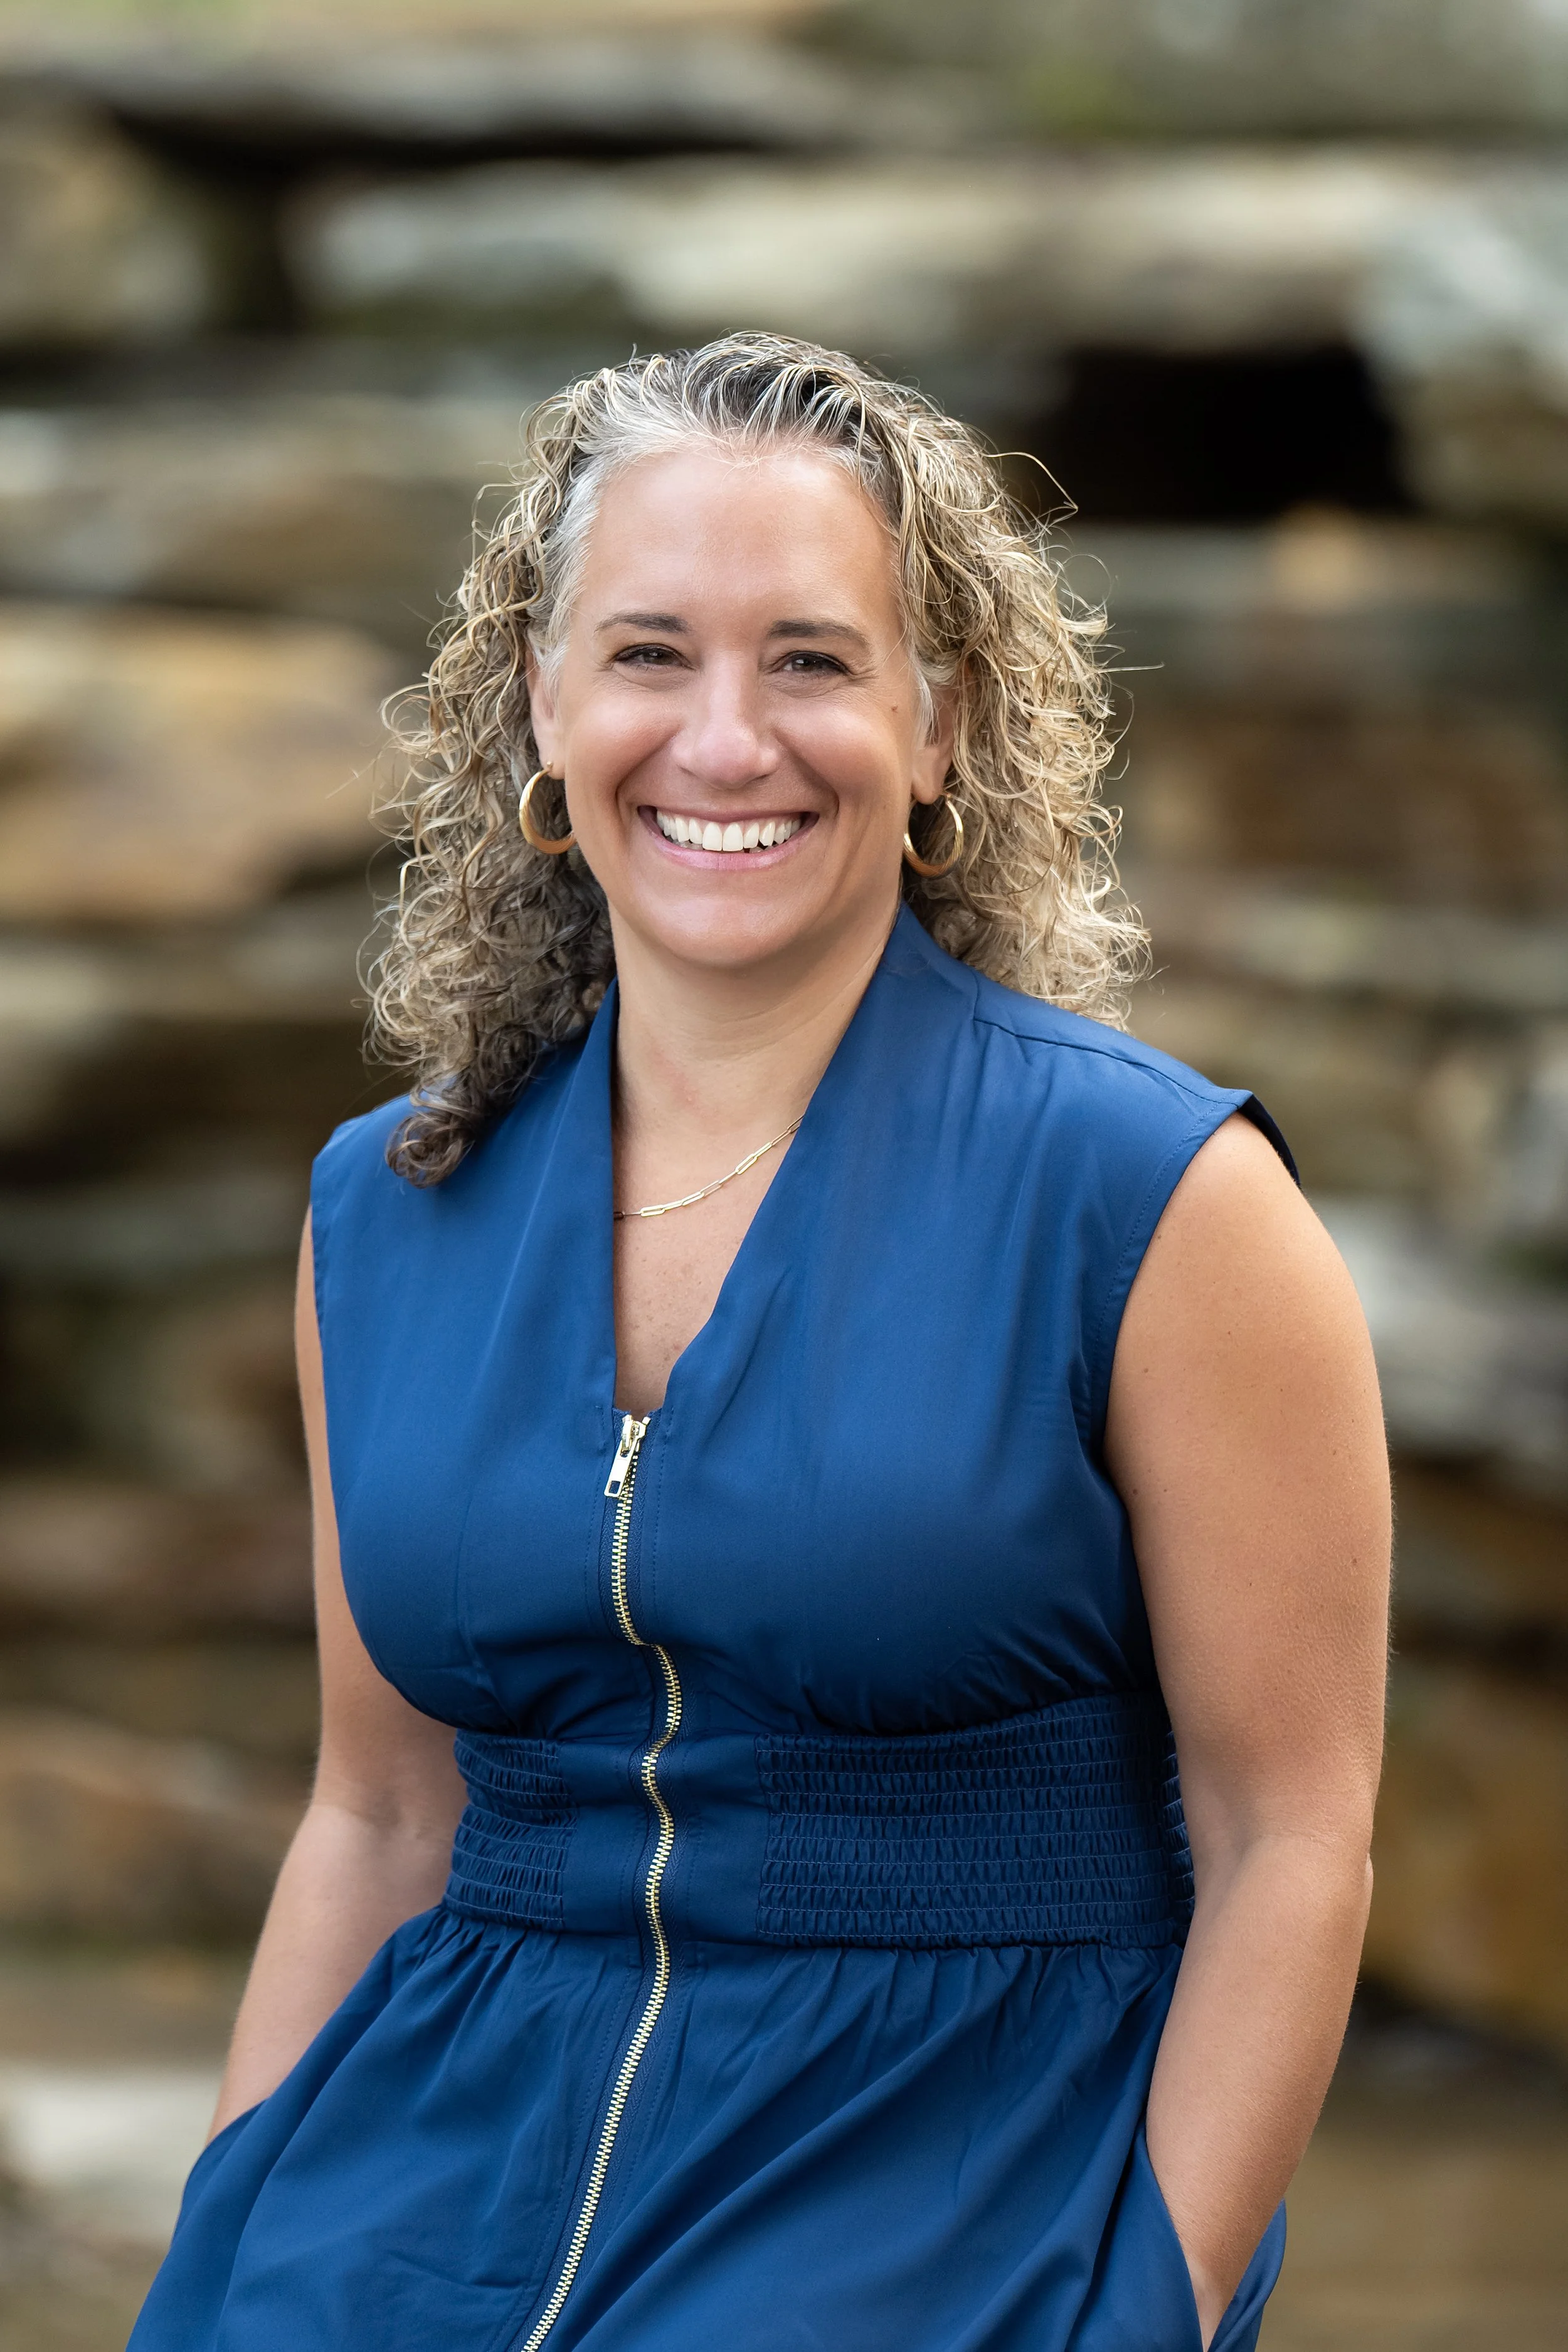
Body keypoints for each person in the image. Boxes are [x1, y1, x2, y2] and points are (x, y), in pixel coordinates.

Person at [130, 332, 1389, 2352]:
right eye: (647, 653)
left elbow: (1290, 1838)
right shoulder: (385, 1208)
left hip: (949, 2203)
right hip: (414, 2202)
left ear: (939, 723)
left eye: (809, 658)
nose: (726, 739)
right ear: (541, 707)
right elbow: (379, 1812)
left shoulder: (1158, 1201)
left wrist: (1140, 2302)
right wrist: (233, 2225)